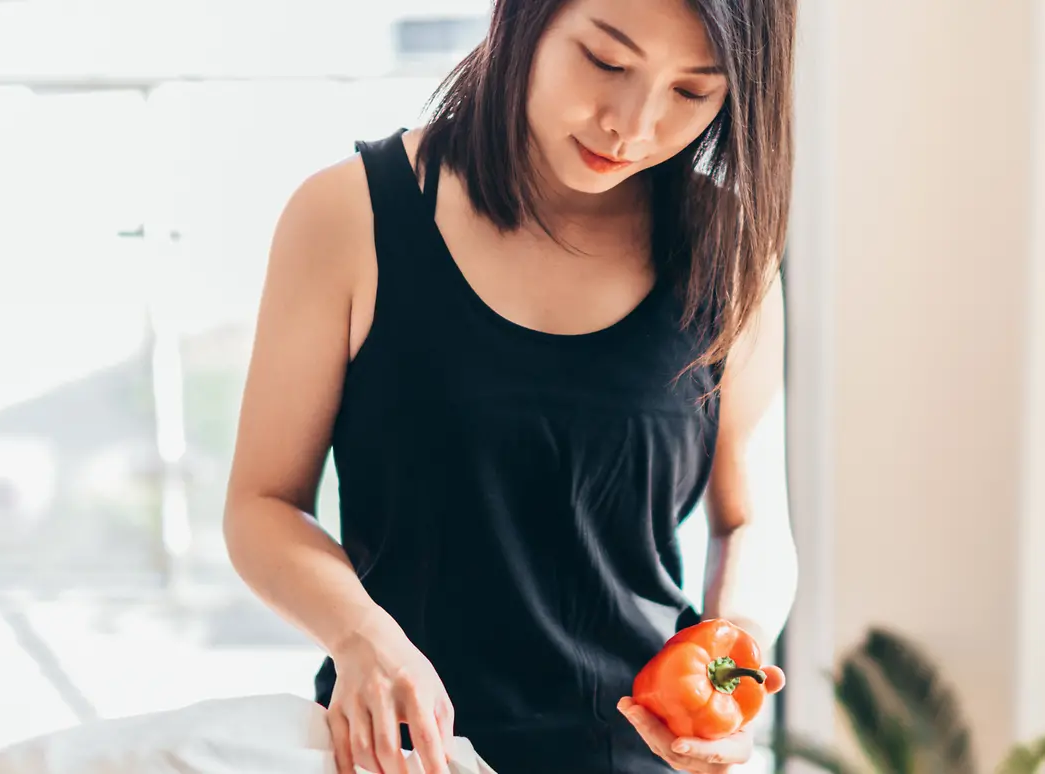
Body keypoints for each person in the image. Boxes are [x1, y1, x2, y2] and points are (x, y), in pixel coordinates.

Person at [221, 0, 798, 772]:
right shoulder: (348, 215)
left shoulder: (729, 251)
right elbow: (261, 506)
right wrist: (363, 636)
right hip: (404, 755)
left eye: (692, 92)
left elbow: (751, 522)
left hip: (642, 755)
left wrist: (734, 661)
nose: (632, 124)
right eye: (607, 62)